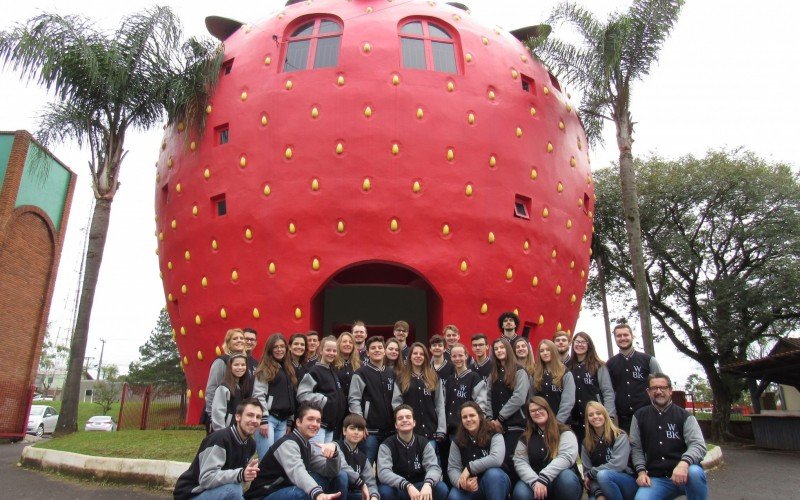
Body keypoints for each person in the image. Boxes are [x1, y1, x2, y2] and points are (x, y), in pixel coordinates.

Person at [246, 403, 348, 500]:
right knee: (307, 491)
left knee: (341, 475)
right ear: (298, 422)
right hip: (265, 494)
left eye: (318, 421)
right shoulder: (288, 443)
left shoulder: (307, 446)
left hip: (285, 489)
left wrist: (333, 456)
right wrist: (317, 493)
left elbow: (330, 472)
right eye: (310, 419)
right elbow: (297, 471)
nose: (315, 424)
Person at [630, 374, 707, 500]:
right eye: (654, 388)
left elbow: (698, 445)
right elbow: (636, 448)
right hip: (657, 479)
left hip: (685, 474)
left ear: (670, 391)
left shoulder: (685, 416)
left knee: (695, 472)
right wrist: (641, 472)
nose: (659, 391)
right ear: (648, 392)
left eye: (663, 388)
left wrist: (684, 464)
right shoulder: (639, 416)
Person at [174, 398, 261, 499]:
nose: (254, 420)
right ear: (238, 417)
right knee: (234, 490)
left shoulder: (251, 445)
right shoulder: (220, 439)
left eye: (258, 417)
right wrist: (240, 474)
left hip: (218, 492)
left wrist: (247, 475)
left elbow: (240, 480)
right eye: (250, 415)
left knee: (237, 490)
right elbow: (206, 479)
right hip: (192, 494)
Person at [512, 397, 582, 500]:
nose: (537, 412)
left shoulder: (564, 431)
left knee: (567, 478)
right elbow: (520, 462)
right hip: (535, 483)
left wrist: (544, 478)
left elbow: (566, 457)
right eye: (533, 411)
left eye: (540, 409)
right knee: (520, 492)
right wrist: (534, 481)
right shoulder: (524, 438)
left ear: (547, 410)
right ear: (529, 415)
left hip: (560, 481)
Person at [377, 405, 449, 500]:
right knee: (384, 491)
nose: (404, 420)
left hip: (420, 486)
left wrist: (427, 484)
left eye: (408, 417)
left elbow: (434, 468)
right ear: (396, 425)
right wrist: (407, 485)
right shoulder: (386, 445)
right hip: (398, 488)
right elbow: (383, 473)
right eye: (400, 418)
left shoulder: (424, 442)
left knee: (441, 488)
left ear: (414, 422)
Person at [447, 402, 511, 500]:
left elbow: (496, 458)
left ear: (480, 417)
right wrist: (462, 483)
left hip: (496, 481)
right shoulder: (457, 440)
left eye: (472, 415)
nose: (468, 419)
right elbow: (453, 468)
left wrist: (469, 468)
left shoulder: (494, 433)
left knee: (493, 475)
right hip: (471, 485)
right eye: (464, 417)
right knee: (454, 496)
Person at [606, 324, 663, 433]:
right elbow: (609, 391)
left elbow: (660, 387)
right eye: (619, 336)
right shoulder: (610, 364)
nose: (622, 338)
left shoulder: (648, 360)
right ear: (615, 339)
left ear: (632, 336)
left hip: (647, 417)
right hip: (623, 421)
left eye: (625, 335)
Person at [349, 336, 395, 464]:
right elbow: (354, 400)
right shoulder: (360, 373)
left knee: (387, 467)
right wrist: (360, 423)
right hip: (369, 432)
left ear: (384, 351)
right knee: (366, 466)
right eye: (373, 348)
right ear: (367, 352)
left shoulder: (391, 373)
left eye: (380, 347)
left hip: (390, 431)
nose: (377, 350)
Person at [567, 332, 616, 452]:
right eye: (577, 342)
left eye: (583, 342)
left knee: (599, 451)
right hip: (576, 419)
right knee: (582, 452)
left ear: (589, 345)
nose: (580, 345)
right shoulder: (568, 367)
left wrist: (609, 415)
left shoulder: (598, 365)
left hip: (596, 419)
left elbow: (608, 392)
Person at [487, 338, 529, 476]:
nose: (499, 351)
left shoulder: (519, 371)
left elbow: (519, 397)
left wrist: (500, 418)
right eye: (496, 349)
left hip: (515, 425)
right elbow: (488, 397)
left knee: (511, 460)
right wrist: (491, 420)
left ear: (508, 349)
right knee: (499, 462)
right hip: (496, 427)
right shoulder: (493, 373)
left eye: (502, 348)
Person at [393, 342, 446, 448]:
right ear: (410, 357)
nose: (418, 356)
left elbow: (440, 404)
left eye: (421, 354)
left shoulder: (434, 377)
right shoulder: (401, 378)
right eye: (415, 353)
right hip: (409, 432)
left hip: (430, 432)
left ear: (425, 357)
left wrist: (441, 429)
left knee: (431, 463)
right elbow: (396, 404)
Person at [253, 333, 296, 459]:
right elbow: (259, 394)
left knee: (278, 460)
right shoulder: (265, 369)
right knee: (266, 459)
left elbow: (290, 396)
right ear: (270, 349)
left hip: (282, 422)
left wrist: (289, 421)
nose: (279, 349)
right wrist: (263, 420)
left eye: (282, 346)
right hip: (268, 420)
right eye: (276, 347)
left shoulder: (288, 368)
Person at [297, 336, 347, 444]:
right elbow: (302, 394)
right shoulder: (315, 371)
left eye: (334, 351)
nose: (331, 353)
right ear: (321, 351)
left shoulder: (333, 371)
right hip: (318, 426)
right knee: (316, 458)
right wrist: (324, 401)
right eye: (328, 350)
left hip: (331, 427)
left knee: (325, 460)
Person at [582, 401, 636, 500]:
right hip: (600, 487)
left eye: (598, 413)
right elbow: (587, 474)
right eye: (590, 415)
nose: (595, 416)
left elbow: (619, 465)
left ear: (605, 415)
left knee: (604, 475)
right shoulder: (586, 443)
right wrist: (598, 493)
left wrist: (593, 473)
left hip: (625, 482)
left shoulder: (619, 436)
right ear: (587, 419)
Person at [204, 328, 248, 432]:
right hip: (220, 418)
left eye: (242, 338)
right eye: (235, 338)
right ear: (228, 343)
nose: (239, 340)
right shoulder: (221, 362)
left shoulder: (244, 362)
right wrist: (211, 417)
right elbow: (211, 389)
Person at [335, 413, 380, 500]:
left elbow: (370, 482)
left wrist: (374, 496)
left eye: (360, 429)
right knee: (342, 475)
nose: (356, 432)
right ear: (344, 431)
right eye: (352, 428)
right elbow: (342, 466)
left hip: (354, 494)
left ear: (363, 433)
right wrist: (361, 484)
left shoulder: (363, 458)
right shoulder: (335, 446)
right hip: (335, 493)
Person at [533, 340, 575, 424]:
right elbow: (532, 399)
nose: (545, 353)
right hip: (540, 423)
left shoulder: (565, 373)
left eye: (548, 350)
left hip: (560, 424)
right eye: (542, 351)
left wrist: (558, 422)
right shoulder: (535, 374)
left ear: (554, 351)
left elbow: (568, 402)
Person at [211, 353, 252, 432]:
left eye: (243, 365)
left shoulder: (243, 387)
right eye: (236, 365)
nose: (240, 368)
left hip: (238, 432)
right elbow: (218, 412)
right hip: (225, 432)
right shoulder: (224, 388)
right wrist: (221, 432)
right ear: (230, 367)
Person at [335, 331, 362, 404]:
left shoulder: (359, 365)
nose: (348, 344)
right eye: (344, 341)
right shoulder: (332, 364)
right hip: (337, 406)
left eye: (350, 342)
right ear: (339, 344)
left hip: (354, 406)